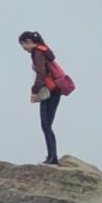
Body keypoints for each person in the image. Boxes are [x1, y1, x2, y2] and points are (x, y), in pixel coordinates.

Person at [18, 30, 62, 165]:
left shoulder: (38, 52)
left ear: (29, 42)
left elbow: (41, 73)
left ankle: (52, 158)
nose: (23, 48)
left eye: (23, 45)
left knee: (45, 125)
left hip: (48, 91)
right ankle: (52, 156)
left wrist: (34, 90)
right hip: (56, 90)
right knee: (47, 125)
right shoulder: (45, 51)